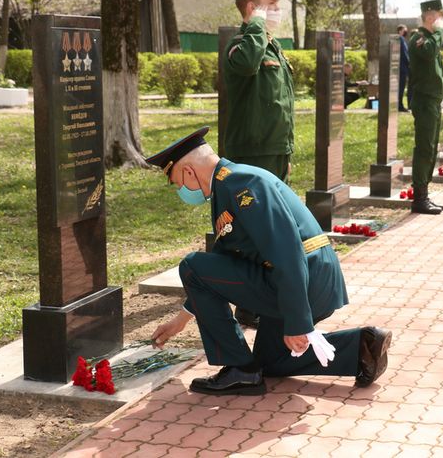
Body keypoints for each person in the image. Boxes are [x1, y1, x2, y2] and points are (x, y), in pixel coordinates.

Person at [147, 127, 393, 396]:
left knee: (191, 265)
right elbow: (222, 263)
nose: (181, 190)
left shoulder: (242, 186)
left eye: (177, 183)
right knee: (269, 360)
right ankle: (362, 347)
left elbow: (286, 252)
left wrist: (298, 323)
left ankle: (238, 369)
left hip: (305, 282)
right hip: (308, 279)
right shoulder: (229, 184)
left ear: (189, 172)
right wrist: (182, 319)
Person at [223, 0, 296, 328]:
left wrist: (287, 151)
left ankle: (261, 300)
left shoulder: (271, 46)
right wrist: (254, 27)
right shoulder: (243, 44)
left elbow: (280, 104)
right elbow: (246, 65)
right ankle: (247, 303)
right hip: (252, 154)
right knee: (252, 229)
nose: (277, 10)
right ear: (251, 7)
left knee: (271, 229)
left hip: (274, 150)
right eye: (270, 4)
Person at [408, 0, 443, 215]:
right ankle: (419, 198)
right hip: (424, 101)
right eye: (438, 16)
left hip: (433, 100)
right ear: (430, 16)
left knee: (431, 147)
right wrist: (439, 33)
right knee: (424, 147)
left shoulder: (430, 38)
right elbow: (430, 51)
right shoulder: (419, 39)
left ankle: (424, 193)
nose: (441, 20)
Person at [397, 25, 411, 112]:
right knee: (401, 88)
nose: (406, 31)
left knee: (401, 88)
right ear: (400, 30)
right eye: (405, 30)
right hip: (402, 68)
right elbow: (404, 54)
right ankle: (400, 105)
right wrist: (410, 64)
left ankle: (399, 104)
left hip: (402, 68)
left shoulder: (402, 40)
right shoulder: (401, 39)